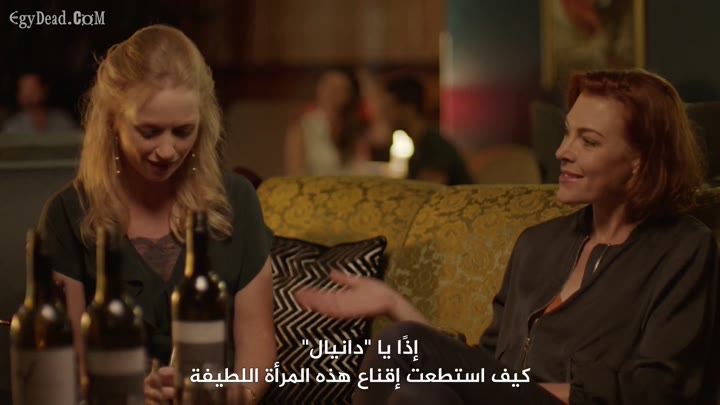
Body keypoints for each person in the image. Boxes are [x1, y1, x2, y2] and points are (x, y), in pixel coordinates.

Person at [296, 69, 719, 404]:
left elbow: (660, 390)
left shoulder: (683, 249)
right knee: (418, 391)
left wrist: (515, 391)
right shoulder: (538, 243)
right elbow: (488, 365)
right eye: (567, 132)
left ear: (639, 161)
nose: (562, 151)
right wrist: (394, 303)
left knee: (403, 345)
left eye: (588, 141)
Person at [37, 25, 276, 404]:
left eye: (183, 131)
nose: (167, 151)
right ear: (113, 121)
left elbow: (258, 345)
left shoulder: (236, 201)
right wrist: (124, 392)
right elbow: (70, 369)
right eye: (148, 132)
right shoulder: (69, 213)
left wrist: (237, 394)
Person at [378, 73, 473, 185]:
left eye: (389, 107)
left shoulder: (434, 144)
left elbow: (428, 190)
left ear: (409, 109)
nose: (384, 114)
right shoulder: (416, 147)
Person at [284, 68, 367, 176]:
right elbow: (295, 173)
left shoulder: (355, 129)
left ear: (349, 94)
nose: (332, 92)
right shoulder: (301, 128)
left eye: (340, 88)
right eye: (328, 85)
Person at [1, 72, 77, 134]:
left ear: (45, 90)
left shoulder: (62, 120)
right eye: (25, 89)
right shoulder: (13, 126)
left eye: (33, 88)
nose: (29, 93)